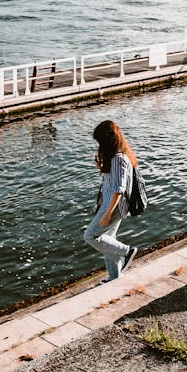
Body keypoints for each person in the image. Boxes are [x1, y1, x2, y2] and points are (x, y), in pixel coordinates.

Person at [83, 120, 139, 281]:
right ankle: (115, 277)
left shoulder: (118, 159)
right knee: (108, 241)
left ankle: (126, 251)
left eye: (100, 141)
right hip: (112, 205)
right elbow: (114, 182)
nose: (99, 145)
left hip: (112, 207)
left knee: (90, 236)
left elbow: (118, 189)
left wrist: (107, 213)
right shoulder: (118, 156)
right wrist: (101, 168)